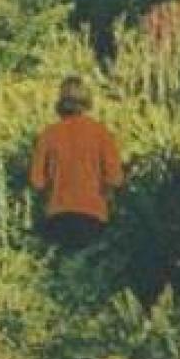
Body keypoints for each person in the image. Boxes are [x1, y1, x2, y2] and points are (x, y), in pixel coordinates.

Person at [29, 76, 123, 250]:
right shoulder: (101, 133)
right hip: (94, 216)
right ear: (87, 103)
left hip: (58, 216)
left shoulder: (48, 135)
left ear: (61, 104)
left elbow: (37, 181)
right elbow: (115, 178)